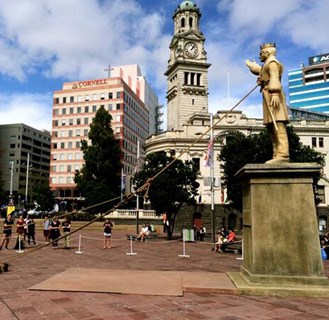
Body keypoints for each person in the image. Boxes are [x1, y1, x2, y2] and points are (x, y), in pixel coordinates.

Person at [246, 43, 290, 164]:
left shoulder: (272, 63)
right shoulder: (267, 64)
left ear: (267, 53)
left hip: (273, 96)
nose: (260, 55)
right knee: (272, 126)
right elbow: (264, 73)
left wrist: (275, 92)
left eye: (261, 53)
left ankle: (283, 155)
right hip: (267, 95)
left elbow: (275, 76)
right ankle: (276, 154)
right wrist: (257, 72)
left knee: (278, 125)